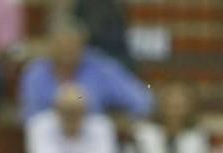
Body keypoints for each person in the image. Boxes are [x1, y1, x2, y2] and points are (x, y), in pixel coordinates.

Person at [17, 18, 153, 122]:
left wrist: (115, 120)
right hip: (50, 140)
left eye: (72, 46)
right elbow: (30, 118)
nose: (67, 52)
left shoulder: (101, 67)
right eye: (61, 46)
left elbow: (143, 101)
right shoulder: (35, 73)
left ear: (84, 47)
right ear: (51, 47)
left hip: (93, 137)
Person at [25, 81, 118, 153]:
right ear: (56, 109)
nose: (71, 116)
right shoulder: (39, 125)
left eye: (76, 111)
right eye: (66, 111)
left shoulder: (102, 126)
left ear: (86, 110)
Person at [129, 81, 211, 153]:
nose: (175, 107)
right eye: (170, 101)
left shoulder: (198, 134)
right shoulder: (142, 132)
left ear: (191, 106)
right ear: (160, 104)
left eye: (180, 103)